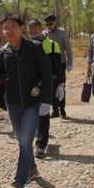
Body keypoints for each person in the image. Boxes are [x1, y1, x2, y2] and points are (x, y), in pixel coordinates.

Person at [0, 14, 52, 188]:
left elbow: (46, 74)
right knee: (23, 141)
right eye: (5, 27)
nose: (9, 30)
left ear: (20, 28)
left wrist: (46, 99)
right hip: (12, 104)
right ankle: (32, 169)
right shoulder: (2, 53)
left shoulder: (34, 48)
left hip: (32, 103)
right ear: (2, 31)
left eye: (13, 26)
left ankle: (18, 183)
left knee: (25, 142)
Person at [27, 19, 65, 159]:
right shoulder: (25, 46)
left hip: (47, 86)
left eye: (35, 32)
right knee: (33, 115)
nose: (32, 35)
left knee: (43, 116)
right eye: (30, 33)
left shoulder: (53, 46)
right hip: (29, 87)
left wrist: (60, 85)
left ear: (41, 30)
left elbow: (58, 68)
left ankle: (41, 145)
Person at [44, 14, 73, 119]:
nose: (49, 26)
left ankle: (62, 109)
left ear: (55, 22)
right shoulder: (44, 34)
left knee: (60, 86)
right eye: (47, 24)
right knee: (51, 87)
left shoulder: (62, 32)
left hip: (60, 63)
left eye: (50, 24)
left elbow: (68, 48)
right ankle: (55, 110)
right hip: (48, 64)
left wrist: (69, 63)